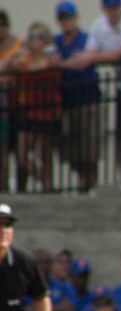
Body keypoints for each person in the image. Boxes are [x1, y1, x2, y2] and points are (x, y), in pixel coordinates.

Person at [66, 0, 121, 182]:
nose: (114, 11)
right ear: (104, 8)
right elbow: (89, 52)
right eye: (110, 7)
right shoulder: (99, 24)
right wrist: (86, 58)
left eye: (116, 6)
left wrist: (92, 58)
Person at [54, 1, 101, 193]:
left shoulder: (86, 39)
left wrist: (65, 64)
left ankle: (91, 183)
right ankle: (84, 180)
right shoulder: (55, 42)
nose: (67, 21)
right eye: (63, 18)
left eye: (70, 17)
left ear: (76, 18)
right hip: (65, 101)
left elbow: (83, 61)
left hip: (86, 98)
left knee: (88, 146)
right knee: (68, 148)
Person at [9, 22, 61, 193]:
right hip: (29, 110)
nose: (36, 41)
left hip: (46, 110)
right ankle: (41, 178)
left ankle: (48, 185)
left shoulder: (51, 61)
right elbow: (11, 69)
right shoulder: (23, 61)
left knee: (45, 154)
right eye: (32, 37)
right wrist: (17, 54)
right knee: (22, 155)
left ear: (45, 40)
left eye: (40, 37)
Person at [0, 10, 23, 192]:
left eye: (3, 25)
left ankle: (20, 188)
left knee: (20, 152)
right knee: (3, 152)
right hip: (3, 109)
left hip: (18, 106)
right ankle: (4, 189)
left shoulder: (18, 45)